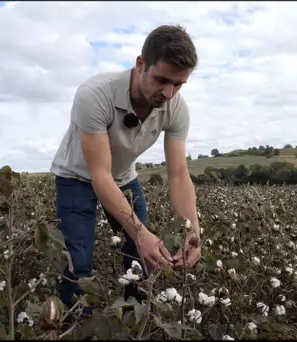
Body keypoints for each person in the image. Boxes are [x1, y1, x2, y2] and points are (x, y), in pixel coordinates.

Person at [49, 24, 202, 313]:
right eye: (161, 80)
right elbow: (100, 174)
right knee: (77, 263)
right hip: (75, 177)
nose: (169, 93)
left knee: (141, 260)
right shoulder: (94, 95)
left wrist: (193, 233)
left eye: (179, 85)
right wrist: (140, 233)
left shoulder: (177, 108)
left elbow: (178, 174)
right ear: (140, 64)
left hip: (123, 178)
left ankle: (133, 320)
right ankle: (73, 322)